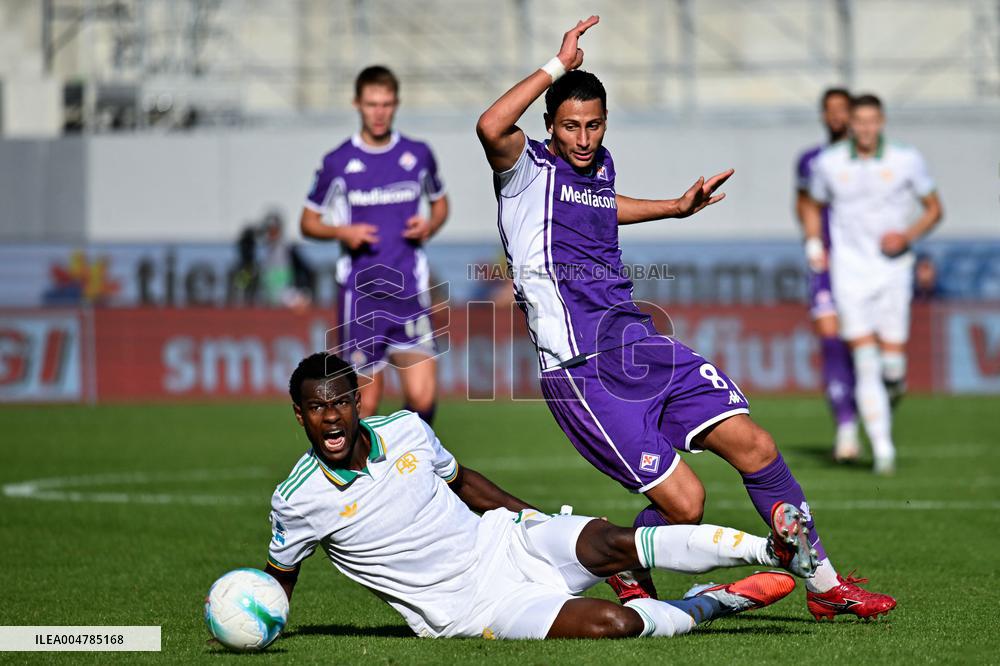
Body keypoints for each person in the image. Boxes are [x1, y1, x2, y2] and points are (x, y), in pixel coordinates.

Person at [474, 15, 895, 621]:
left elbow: (599, 209)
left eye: (594, 125)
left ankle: (825, 586)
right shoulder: (524, 170)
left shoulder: (598, 166)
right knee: (685, 505)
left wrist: (673, 207)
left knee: (755, 444)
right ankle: (616, 563)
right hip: (582, 372)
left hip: (642, 346)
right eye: (571, 126)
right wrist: (557, 66)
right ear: (548, 125)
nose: (584, 138)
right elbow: (489, 124)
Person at [263, 353, 819, 640]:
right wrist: (259, 618)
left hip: (505, 543)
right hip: (472, 608)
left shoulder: (407, 428)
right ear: (299, 415)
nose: (330, 417)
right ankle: (715, 601)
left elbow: (464, 481)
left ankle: (770, 552)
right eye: (315, 408)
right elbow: (279, 579)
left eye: (338, 403)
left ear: (357, 402)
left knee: (611, 541)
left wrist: (530, 517)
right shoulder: (298, 499)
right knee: (616, 625)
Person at [299, 65, 449, 424]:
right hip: (361, 296)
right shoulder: (338, 162)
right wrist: (343, 233)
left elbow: (440, 203)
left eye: (385, 104)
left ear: (396, 104)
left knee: (423, 396)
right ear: (357, 104)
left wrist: (430, 224)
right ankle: (369, 476)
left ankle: (411, 469)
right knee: (365, 402)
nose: (379, 112)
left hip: (409, 290)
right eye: (371, 104)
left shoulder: (418, 155)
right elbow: (307, 222)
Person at [802, 94, 943, 475]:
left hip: (894, 271)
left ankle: (889, 395)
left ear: (881, 121)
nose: (865, 128)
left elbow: (934, 208)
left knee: (892, 366)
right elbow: (811, 204)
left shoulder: (906, 159)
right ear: (851, 124)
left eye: (871, 121)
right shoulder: (829, 164)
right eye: (858, 121)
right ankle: (883, 451)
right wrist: (816, 246)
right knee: (865, 361)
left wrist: (908, 236)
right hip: (849, 272)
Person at [794, 88, 859, 462]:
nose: (837, 117)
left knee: (874, 355)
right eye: (830, 110)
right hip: (828, 265)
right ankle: (846, 429)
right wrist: (814, 243)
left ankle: (877, 400)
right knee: (831, 340)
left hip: (867, 266)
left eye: (843, 110)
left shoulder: (868, 161)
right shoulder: (811, 161)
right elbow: (804, 202)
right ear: (823, 115)